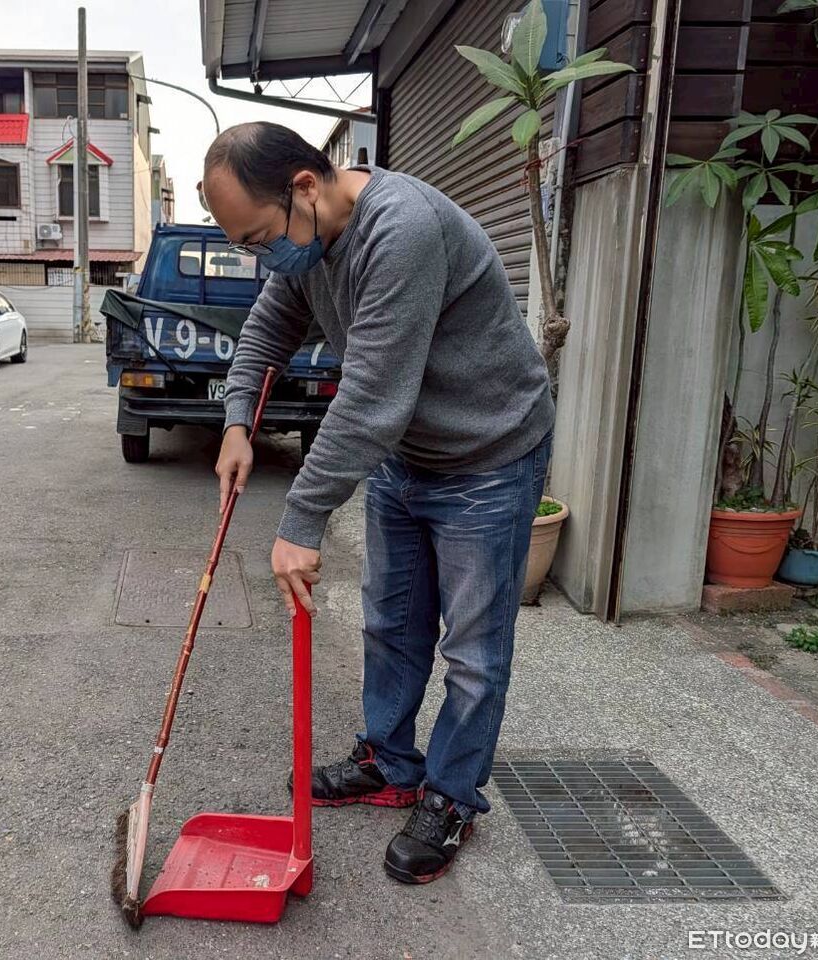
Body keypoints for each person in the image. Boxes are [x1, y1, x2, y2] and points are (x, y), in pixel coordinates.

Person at [201, 122, 555, 884]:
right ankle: (389, 762)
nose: (264, 258)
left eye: (260, 238)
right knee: (391, 622)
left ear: (304, 185)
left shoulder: (401, 230)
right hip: (406, 455)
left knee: (473, 651)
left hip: (487, 454)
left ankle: (451, 796)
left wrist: (300, 519)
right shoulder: (307, 242)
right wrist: (235, 424)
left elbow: (370, 398)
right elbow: (265, 333)